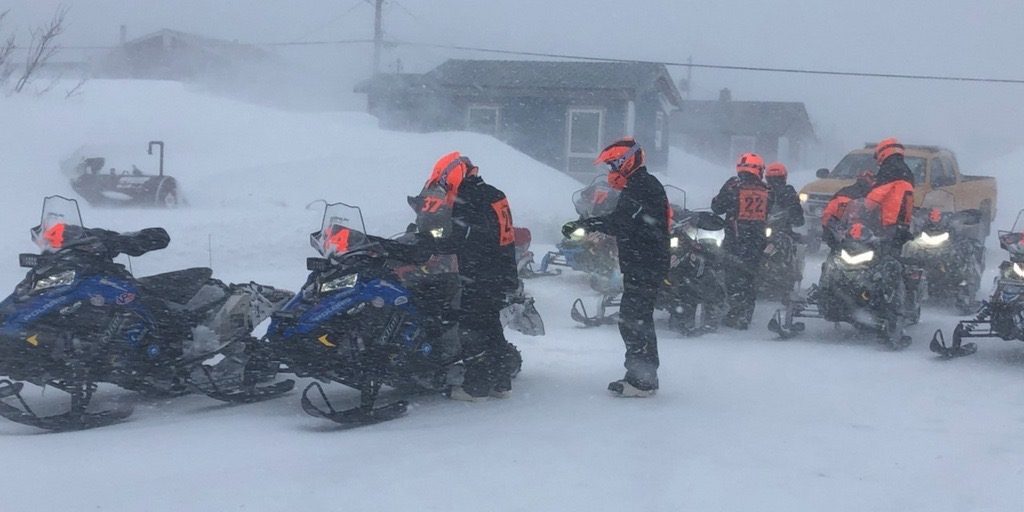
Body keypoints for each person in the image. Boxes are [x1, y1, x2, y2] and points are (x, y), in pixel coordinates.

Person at [394, 152, 520, 401]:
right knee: (490, 325)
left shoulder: (470, 199)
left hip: (480, 272)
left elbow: (465, 238)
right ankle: (501, 381)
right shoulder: (494, 193)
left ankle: (476, 387)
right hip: (502, 267)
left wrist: (429, 245)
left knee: (471, 327)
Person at [561, 138, 669, 397]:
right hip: (644, 262)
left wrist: (587, 225)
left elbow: (622, 222)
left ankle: (642, 379)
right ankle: (643, 376)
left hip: (646, 262)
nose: (611, 171)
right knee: (636, 319)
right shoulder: (639, 185)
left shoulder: (641, 186)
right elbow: (624, 219)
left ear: (627, 161)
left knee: (634, 320)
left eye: (613, 165)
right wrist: (588, 221)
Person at [711, 152, 772, 329]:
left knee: (731, 277)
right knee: (750, 278)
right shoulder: (766, 190)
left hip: (735, 240)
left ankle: (734, 312)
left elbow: (717, 207)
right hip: (757, 241)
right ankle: (745, 314)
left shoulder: (733, 185)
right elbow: (770, 209)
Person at [864, 137, 915, 256]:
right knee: (897, 254)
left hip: (889, 223)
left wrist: (864, 207)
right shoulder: (906, 172)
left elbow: (873, 200)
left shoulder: (889, 171)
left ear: (883, 152)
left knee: (881, 256)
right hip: (904, 224)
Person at [820, 169, 874, 250]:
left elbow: (828, 213)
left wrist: (827, 231)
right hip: (853, 234)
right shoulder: (872, 193)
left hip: (842, 232)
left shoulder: (844, 191)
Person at [764, 162, 805, 235]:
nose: (775, 182)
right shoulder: (763, 191)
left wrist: (791, 216)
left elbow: (797, 215)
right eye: (772, 179)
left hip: (782, 228)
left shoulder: (788, 191)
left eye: (778, 179)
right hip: (764, 226)